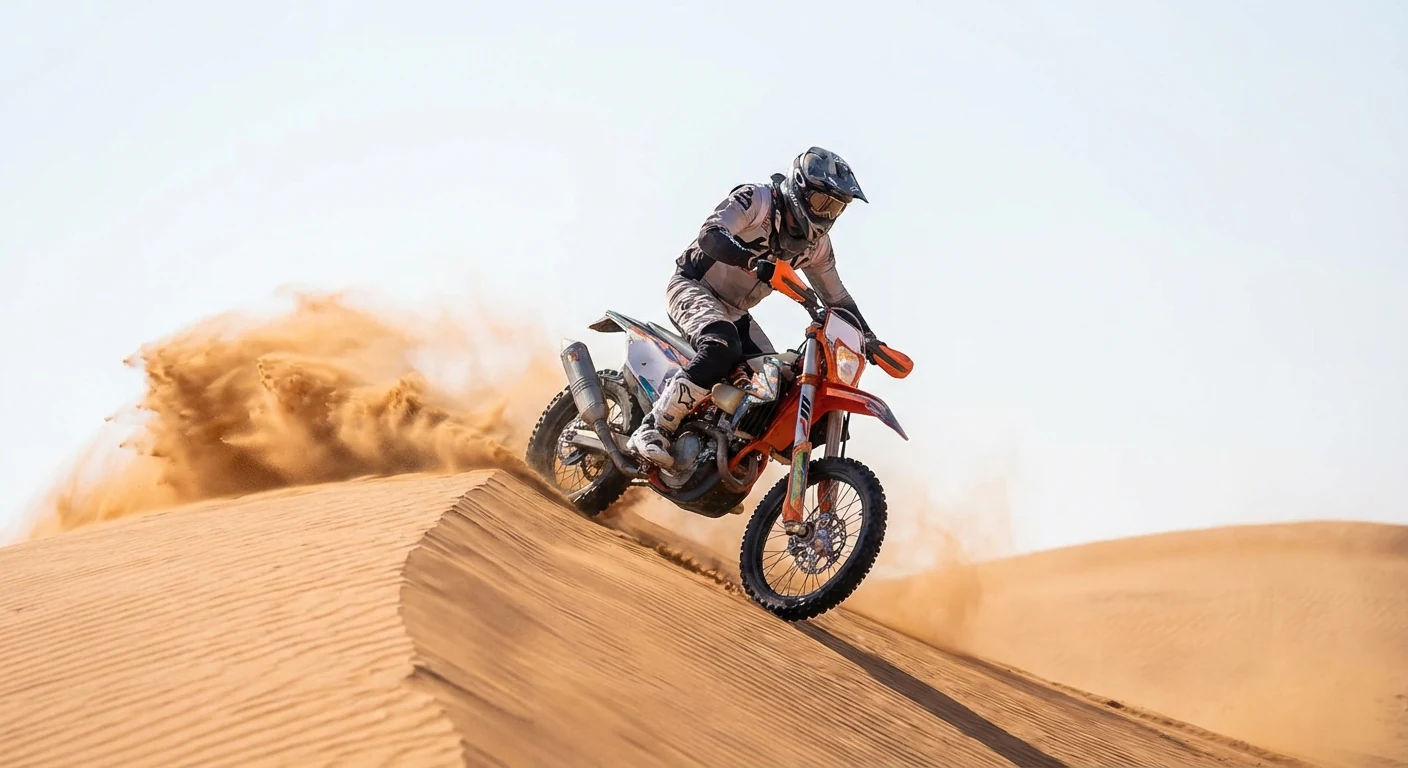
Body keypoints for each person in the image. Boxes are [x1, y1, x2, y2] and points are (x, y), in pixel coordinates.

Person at [627, 146, 885, 468]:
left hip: (735, 313)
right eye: (823, 203)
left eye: (836, 209)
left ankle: (720, 456)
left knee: (776, 382)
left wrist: (870, 338)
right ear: (800, 190)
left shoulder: (816, 247)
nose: (826, 216)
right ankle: (654, 426)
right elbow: (710, 236)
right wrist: (754, 262)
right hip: (693, 285)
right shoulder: (757, 200)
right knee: (722, 347)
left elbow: (838, 298)